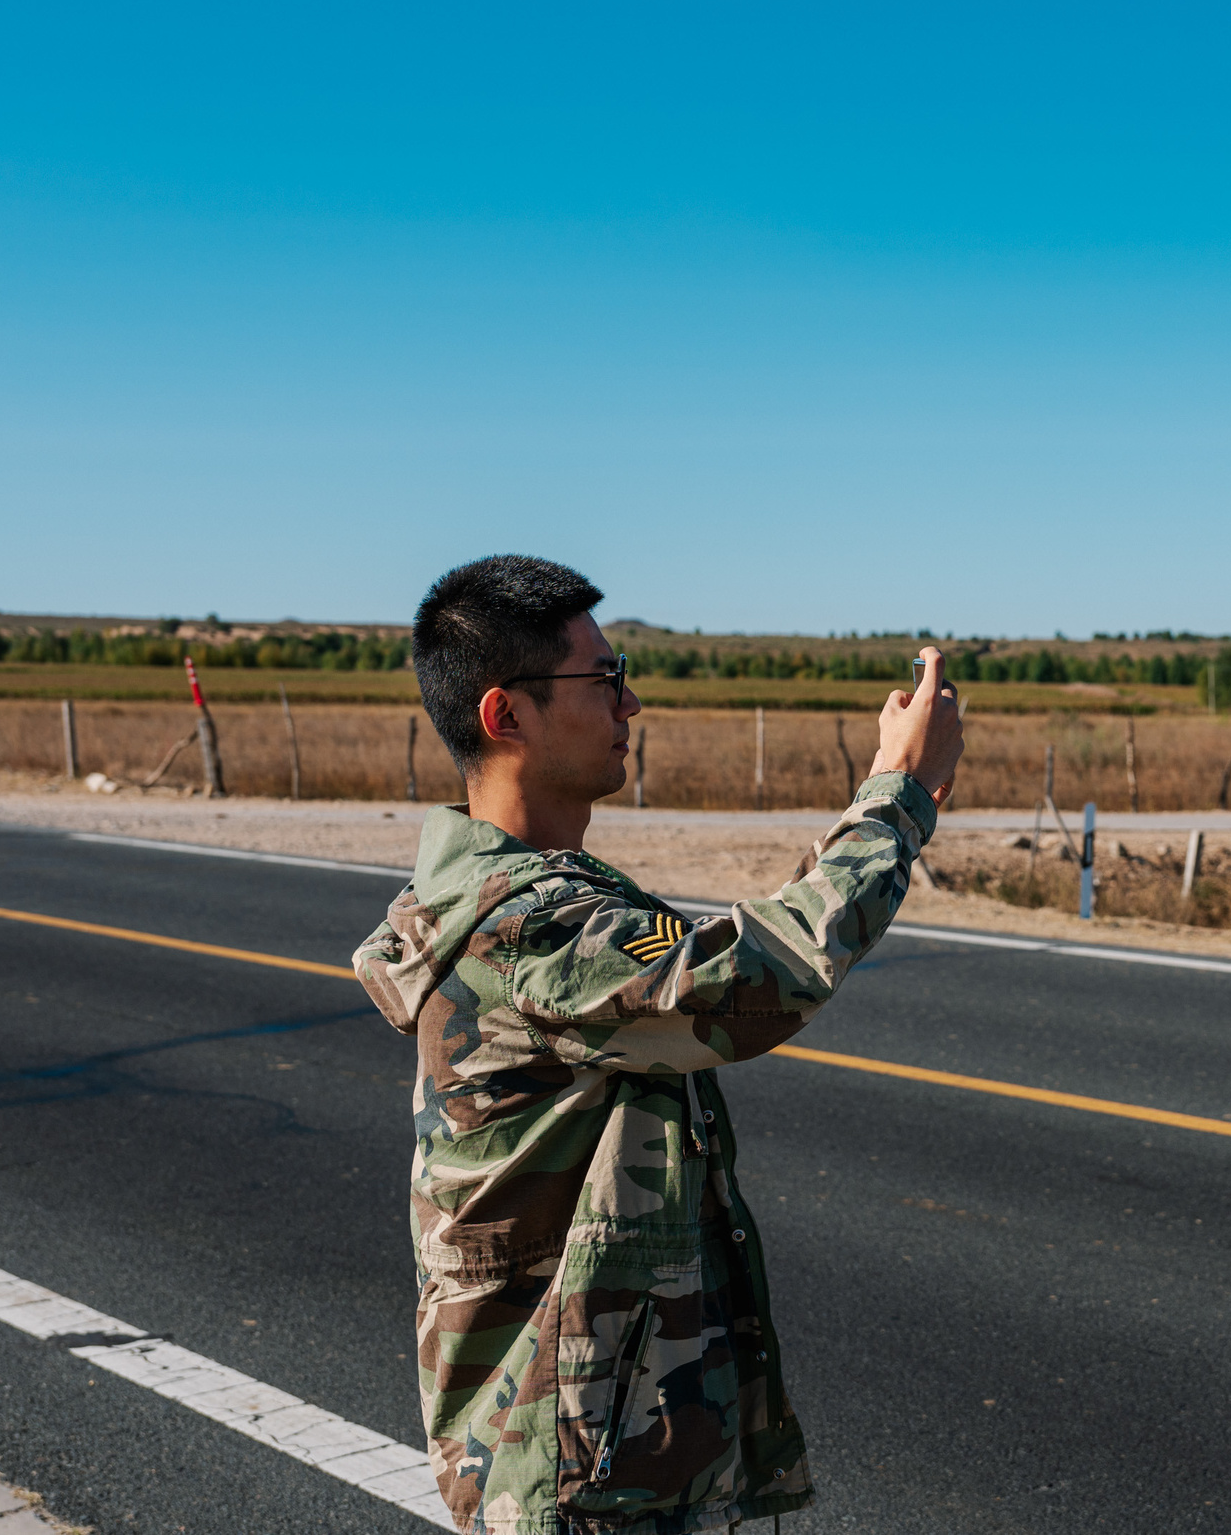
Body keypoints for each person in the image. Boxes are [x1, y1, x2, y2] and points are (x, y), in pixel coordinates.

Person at [353, 555, 962, 1534]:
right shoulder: (525, 928)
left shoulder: (549, 901)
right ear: (507, 716)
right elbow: (749, 984)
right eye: (604, 679)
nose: (631, 701)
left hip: (607, 1448)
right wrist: (900, 794)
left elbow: (718, 950)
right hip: (584, 1474)